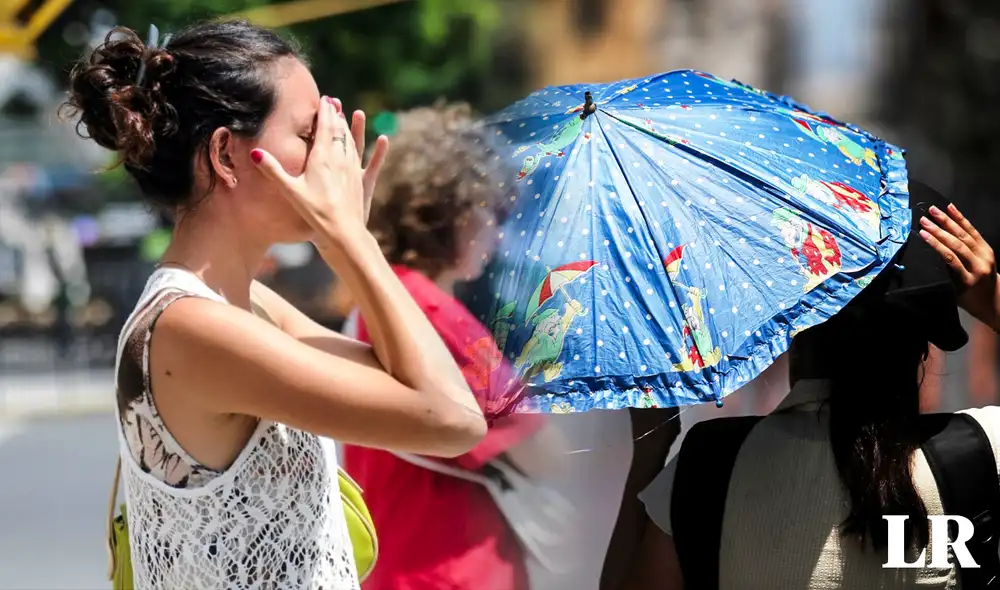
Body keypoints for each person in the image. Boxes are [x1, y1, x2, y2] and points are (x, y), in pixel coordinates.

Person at [65, 21, 487, 590]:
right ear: (225, 154)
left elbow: (412, 381)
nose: (331, 158)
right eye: (310, 135)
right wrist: (351, 240)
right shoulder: (191, 327)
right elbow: (452, 420)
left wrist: (346, 243)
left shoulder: (250, 305)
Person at [619, 182, 1000, 589]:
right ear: (923, 348)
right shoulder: (980, 453)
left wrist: (649, 450)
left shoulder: (707, 467)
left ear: (793, 333)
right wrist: (992, 299)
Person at [340, 103, 554, 590]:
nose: (496, 235)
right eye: (490, 212)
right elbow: (537, 446)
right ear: (450, 211)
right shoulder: (431, 313)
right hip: (452, 563)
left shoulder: (383, 296)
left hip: (398, 556)